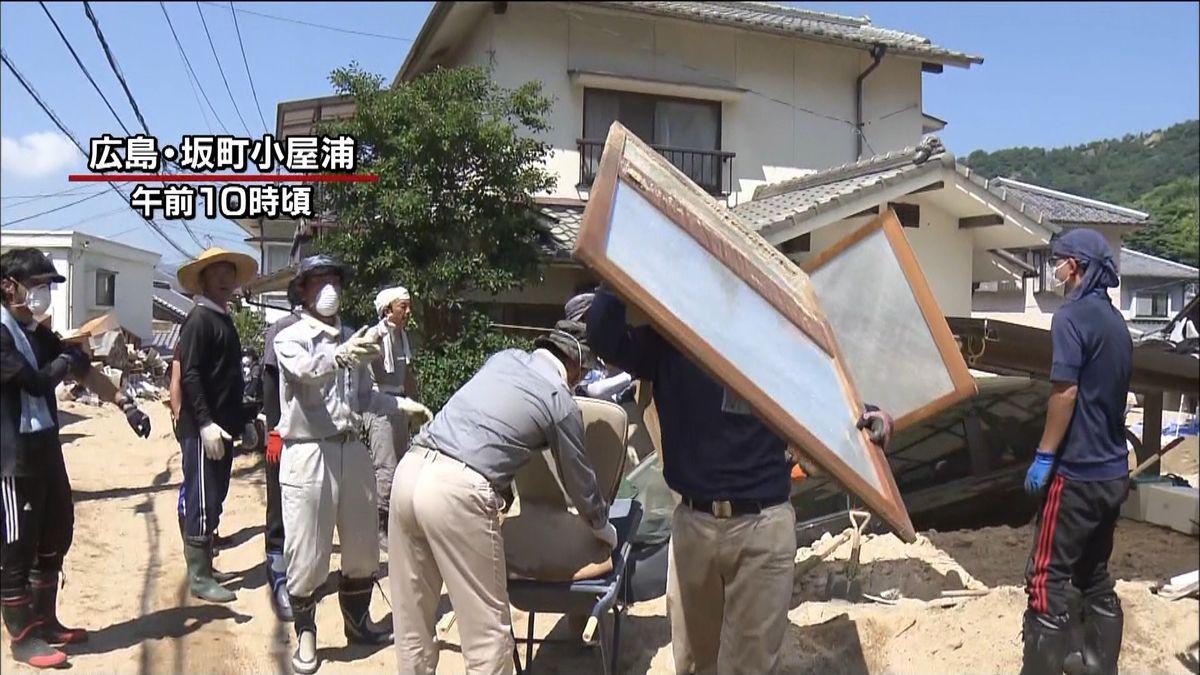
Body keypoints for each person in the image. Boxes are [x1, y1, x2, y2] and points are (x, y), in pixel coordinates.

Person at [586, 284, 892, 675]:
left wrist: (874, 417)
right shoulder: (674, 340)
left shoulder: (777, 350)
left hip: (762, 529)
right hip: (694, 525)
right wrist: (615, 271)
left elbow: (834, 405)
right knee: (696, 665)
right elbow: (602, 335)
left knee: (750, 668)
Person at [389, 320, 616, 674]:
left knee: (412, 621)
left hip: (411, 469)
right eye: (584, 369)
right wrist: (602, 527)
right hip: (456, 492)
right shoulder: (560, 399)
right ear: (575, 363)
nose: (581, 377)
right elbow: (579, 480)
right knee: (487, 638)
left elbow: (487, 426)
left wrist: (504, 488)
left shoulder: (505, 359)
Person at [274, 255, 431, 674]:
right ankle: (307, 635)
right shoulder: (290, 336)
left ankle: (357, 622)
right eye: (319, 281)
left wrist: (401, 405)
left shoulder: (351, 336)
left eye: (335, 281)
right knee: (307, 551)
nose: (330, 289)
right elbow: (307, 372)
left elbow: (363, 398)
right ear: (303, 290)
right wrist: (341, 357)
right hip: (309, 452)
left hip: (351, 447)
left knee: (362, 546)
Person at [1, 248, 151, 668]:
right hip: (11, 459)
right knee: (16, 543)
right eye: (36, 286)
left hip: (47, 450)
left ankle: (45, 620)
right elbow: (33, 382)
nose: (43, 294)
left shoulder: (39, 334)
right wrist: (67, 359)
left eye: (48, 286)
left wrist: (125, 403)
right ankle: (23, 636)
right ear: (7, 286)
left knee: (56, 532)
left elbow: (81, 368)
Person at [1020, 228, 1132, 675]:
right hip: (1111, 473)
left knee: (1046, 580)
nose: (1055, 268)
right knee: (1094, 575)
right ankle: (1096, 665)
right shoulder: (1116, 323)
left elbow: (1065, 393)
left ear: (1078, 266)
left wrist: (1046, 454)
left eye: (1060, 260)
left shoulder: (1070, 319)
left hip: (1078, 473)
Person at [174, 247, 259, 604]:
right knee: (202, 497)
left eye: (230, 273)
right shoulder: (198, 320)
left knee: (217, 494)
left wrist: (243, 419)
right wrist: (204, 421)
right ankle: (198, 576)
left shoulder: (222, 318)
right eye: (218, 273)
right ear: (204, 279)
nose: (226, 279)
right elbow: (190, 373)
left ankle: (206, 564)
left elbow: (228, 380)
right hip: (201, 427)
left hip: (223, 426)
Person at [259, 276, 304, 622]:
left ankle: (303, 569)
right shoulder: (282, 329)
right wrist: (275, 428)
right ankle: (277, 564)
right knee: (279, 498)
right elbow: (270, 382)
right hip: (285, 431)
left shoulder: (335, 332)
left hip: (318, 438)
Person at [363, 285, 420, 550]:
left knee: (401, 468)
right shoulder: (375, 336)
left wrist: (416, 407)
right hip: (379, 407)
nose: (408, 311)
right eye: (403, 306)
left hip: (399, 406)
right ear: (388, 310)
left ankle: (393, 525)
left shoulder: (402, 337)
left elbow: (407, 377)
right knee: (385, 469)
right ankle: (376, 528)